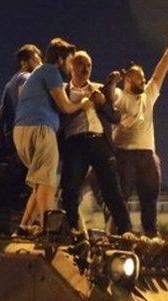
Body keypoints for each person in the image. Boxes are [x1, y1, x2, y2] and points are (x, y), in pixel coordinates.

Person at [13, 38, 93, 234]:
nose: (70, 65)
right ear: (60, 59)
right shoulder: (51, 71)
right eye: (69, 61)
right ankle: (51, 231)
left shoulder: (36, 74)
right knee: (48, 183)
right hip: (40, 129)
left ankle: (24, 226)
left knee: (39, 183)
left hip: (21, 132)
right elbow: (65, 106)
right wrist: (82, 103)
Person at [112, 29, 168, 237]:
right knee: (121, 197)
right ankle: (119, 232)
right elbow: (107, 95)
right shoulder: (120, 96)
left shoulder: (148, 95)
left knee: (150, 196)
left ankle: (151, 234)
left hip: (147, 154)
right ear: (128, 81)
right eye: (138, 80)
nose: (143, 82)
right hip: (125, 154)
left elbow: (159, 73)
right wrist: (112, 83)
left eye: (143, 79)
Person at [59, 50, 131, 235]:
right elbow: (60, 119)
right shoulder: (63, 91)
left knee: (112, 190)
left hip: (100, 141)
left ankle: (126, 231)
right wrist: (80, 105)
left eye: (89, 65)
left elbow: (116, 118)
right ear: (71, 67)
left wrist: (102, 103)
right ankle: (73, 230)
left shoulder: (100, 88)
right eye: (81, 64)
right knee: (70, 188)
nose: (86, 68)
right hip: (76, 142)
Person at [0, 44, 42, 209]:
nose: (40, 63)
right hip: (24, 138)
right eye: (36, 59)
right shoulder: (26, 78)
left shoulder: (10, 83)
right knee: (28, 184)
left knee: (15, 184)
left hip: (12, 140)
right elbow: (26, 105)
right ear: (24, 62)